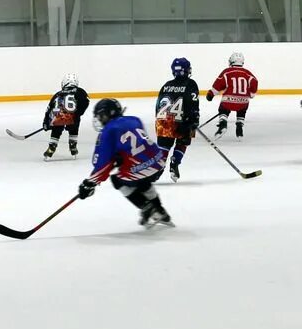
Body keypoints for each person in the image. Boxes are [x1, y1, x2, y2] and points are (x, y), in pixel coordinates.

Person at [78, 98, 172, 228]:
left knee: (117, 179)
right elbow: (136, 144)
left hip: (141, 167)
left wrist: (89, 183)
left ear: (109, 113)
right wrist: (121, 156)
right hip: (158, 160)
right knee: (142, 180)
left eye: (101, 116)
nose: (99, 119)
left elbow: (103, 164)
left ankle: (147, 207)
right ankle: (161, 211)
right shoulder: (134, 119)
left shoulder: (107, 131)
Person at [155, 57, 202, 180]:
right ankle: (175, 163)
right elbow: (193, 103)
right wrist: (194, 119)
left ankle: (157, 169)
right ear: (186, 70)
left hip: (163, 121)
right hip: (183, 121)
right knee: (183, 141)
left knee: (164, 146)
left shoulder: (166, 85)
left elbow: (158, 104)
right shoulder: (191, 84)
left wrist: (159, 121)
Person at [206, 52, 258, 138]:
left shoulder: (227, 72)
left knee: (223, 109)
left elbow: (218, 85)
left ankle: (223, 123)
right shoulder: (248, 73)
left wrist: (211, 94)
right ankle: (239, 127)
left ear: (231, 61)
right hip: (243, 101)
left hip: (228, 100)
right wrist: (251, 94)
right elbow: (255, 82)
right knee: (242, 109)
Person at [41, 73, 89, 160]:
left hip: (59, 116)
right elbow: (85, 102)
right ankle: (73, 146)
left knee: (56, 129)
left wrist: (46, 122)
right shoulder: (80, 91)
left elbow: (49, 108)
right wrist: (78, 113)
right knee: (74, 126)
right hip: (73, 118)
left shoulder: (58, 94)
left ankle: (52, 147)